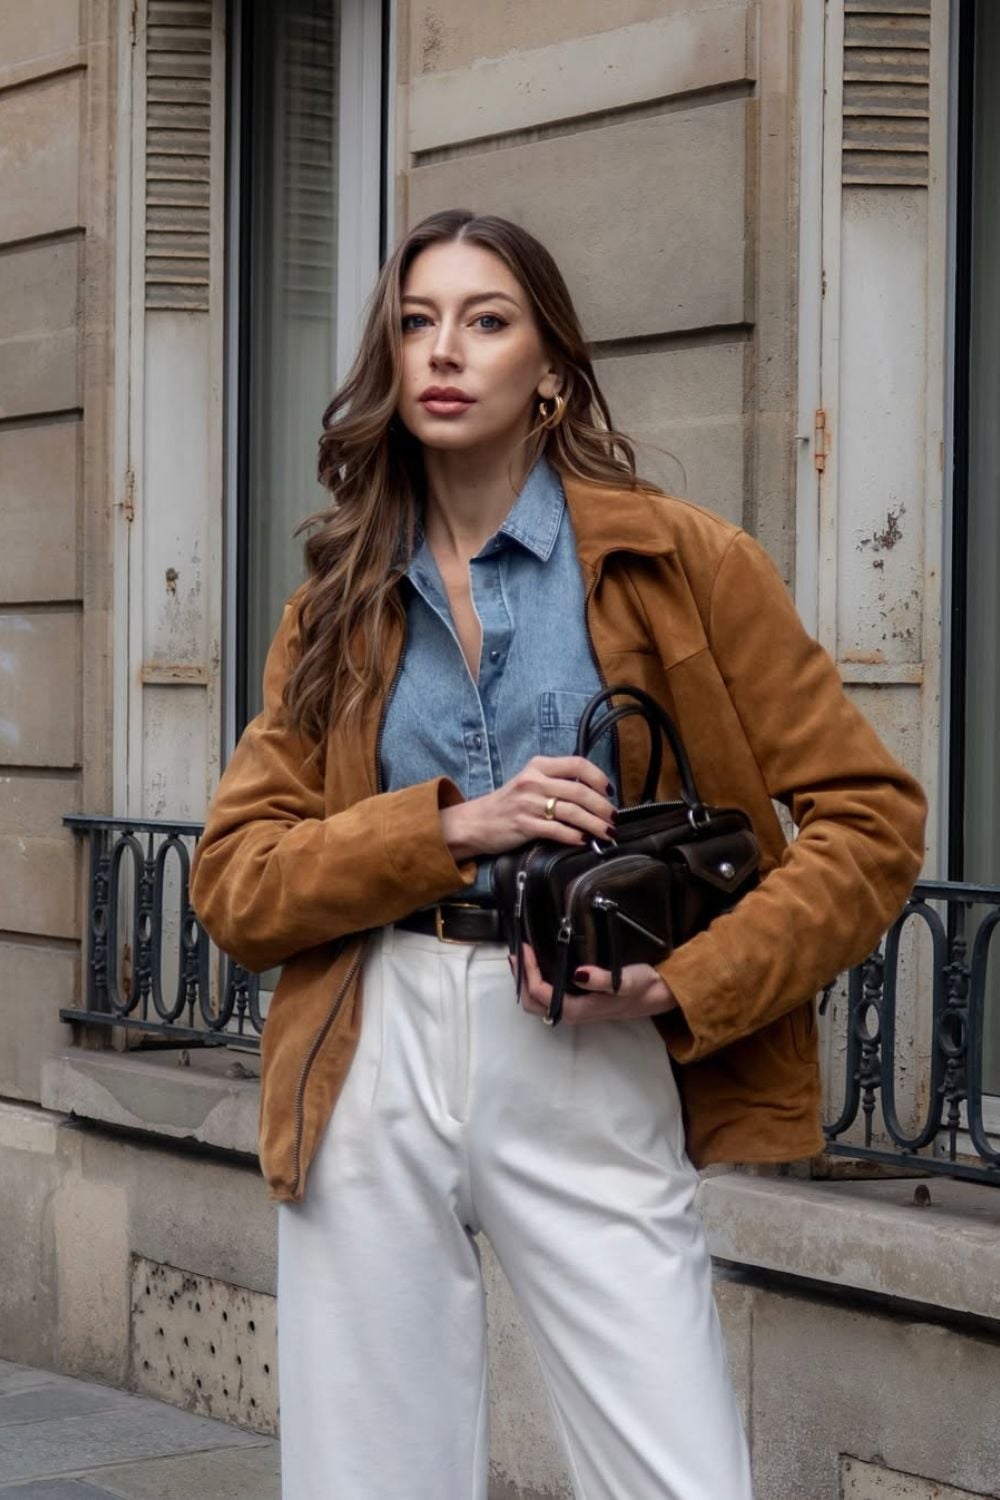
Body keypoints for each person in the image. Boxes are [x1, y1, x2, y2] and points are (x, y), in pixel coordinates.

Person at [190, 209, 926, 1500]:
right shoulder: (340, 604)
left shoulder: (678, 562)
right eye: (418, 322)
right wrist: (450, 825)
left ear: (555, 369)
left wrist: (688, 985)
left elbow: (871, 822)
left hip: (587, 1042)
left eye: (486, 320)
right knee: (371, 1473)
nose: (444, 351)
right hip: (376, 1039)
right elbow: (238, 883)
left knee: (675, 1469)